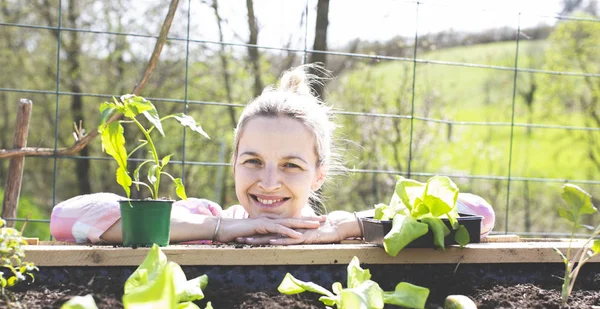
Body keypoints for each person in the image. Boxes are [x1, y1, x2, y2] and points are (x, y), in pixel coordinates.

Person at [50, 64, 495, 245]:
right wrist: (223, 228)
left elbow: (479, 214)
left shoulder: (340, 228)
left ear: (319, 175)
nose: (267, 182)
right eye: (253, 161)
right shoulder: (206, 219)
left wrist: (352, 226)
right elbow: (66, 218)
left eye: (291, 166)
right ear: (234, 163)